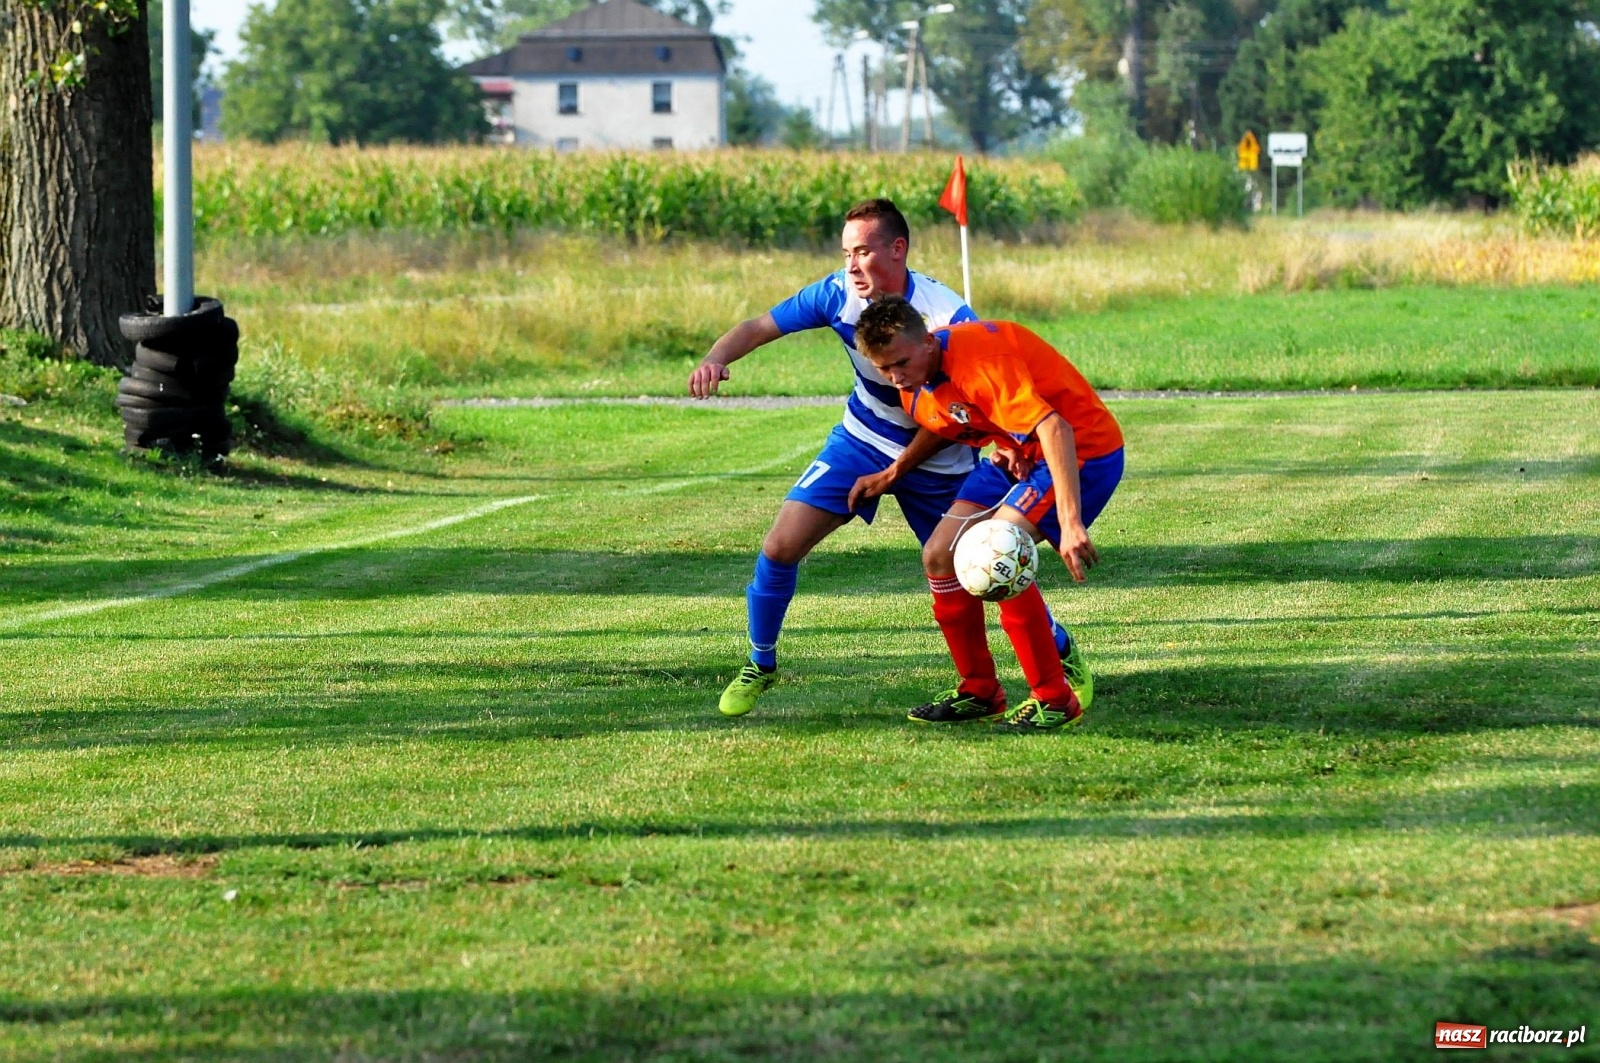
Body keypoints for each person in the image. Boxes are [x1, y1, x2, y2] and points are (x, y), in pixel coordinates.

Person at [688, 199, 1071, 718]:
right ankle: (761, 663)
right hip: (862, 439)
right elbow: (757, 326)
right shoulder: (835, 294)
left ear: (897, 249)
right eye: (846, 253)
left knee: (988, 568)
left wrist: (921, 463)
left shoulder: (947, 316)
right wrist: (714, 359)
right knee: (779, 545)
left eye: (863, 252)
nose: (851, 265)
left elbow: (971, 407)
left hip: (940, 454)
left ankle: (1060, 653)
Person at [849, 296, 1125, 733]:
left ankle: (1054, 699)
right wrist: (894, 471)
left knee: (1000, 553)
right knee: (939, 555)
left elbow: (1055, 427)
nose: (895, 376)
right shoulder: (913, 380)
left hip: (1081, 452)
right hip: (1024, 453)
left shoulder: (979, 366)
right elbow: (949, 419)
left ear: (927, 342)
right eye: (884, 369)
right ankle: (980, 690)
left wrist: (1070, 523)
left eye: (901, 363)